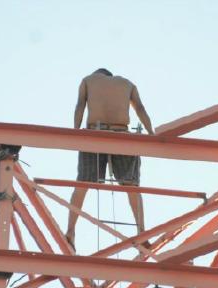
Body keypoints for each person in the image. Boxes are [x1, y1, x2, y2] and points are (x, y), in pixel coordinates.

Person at [65, 68, 155, 249]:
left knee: (83, 183)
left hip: (94, 133)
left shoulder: (88, 80)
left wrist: (75, 132)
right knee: (132, 185)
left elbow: (80, 106)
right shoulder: (127, 83)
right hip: (121, 134)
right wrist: (151, 133)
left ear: (98, 74)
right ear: (110, 76)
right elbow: (140, 108)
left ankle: (70, 231)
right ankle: (141, 230)